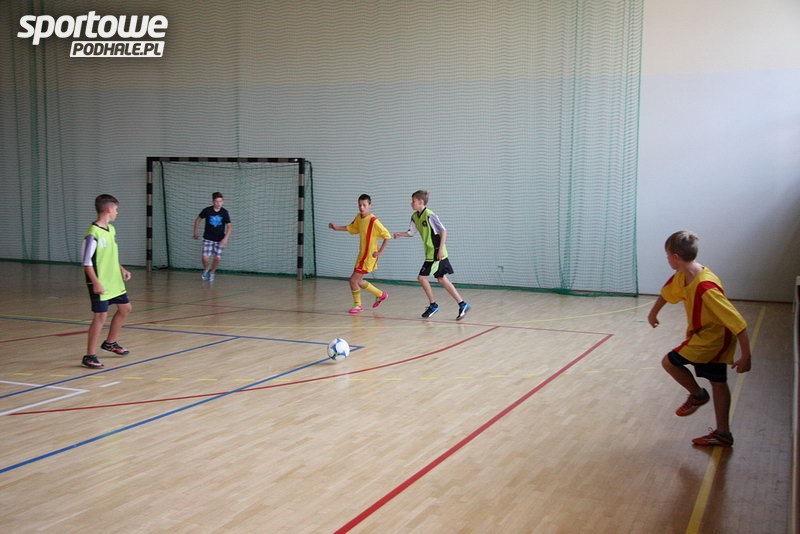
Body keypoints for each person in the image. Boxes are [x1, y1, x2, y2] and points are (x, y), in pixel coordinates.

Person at [647, 230, 752, 447]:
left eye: (667, 255)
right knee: (718, 383)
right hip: (707, 337)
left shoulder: (706, 287)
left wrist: (746, 356)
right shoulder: (683, 275)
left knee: (669, 362)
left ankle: (697, 395)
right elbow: (667, 293)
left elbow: (738, 322)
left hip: (711, 340)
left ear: (676, 256)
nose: (667, 259)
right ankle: (723, 434)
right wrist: (653, 313)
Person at [393, 190, 471, 320]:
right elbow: (411, 232)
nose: (411, 203)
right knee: (441, 278)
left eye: (413, 201)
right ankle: (463, 304)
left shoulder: (430, 215)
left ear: (420, 202)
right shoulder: (415, 216)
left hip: (436, 252)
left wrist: (440, 250)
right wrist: (400, 234)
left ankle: (433, 305)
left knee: (421, 278)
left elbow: (443, 231)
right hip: (430, 252)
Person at [80, 194, 133, 369]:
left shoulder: (111, 229)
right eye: (116, 209)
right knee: (100, 316)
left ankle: (110, 343)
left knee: (125, 308)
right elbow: (86, 261)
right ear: (109, 209)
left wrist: (121, 268)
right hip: (100, 281)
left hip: (114, 280)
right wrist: (95, 282)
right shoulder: (92, 233)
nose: (117, 212)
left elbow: (109, 255)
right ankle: (89, 356)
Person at [328, 194, 390, 314]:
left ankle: (358, 305)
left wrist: (380, 252)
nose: (361, 207)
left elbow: (387, 235)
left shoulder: (374, 221)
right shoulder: (359, 217)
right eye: (360, 205)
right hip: (362, 255)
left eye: (364, 205)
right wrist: (337, 228)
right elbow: (352, 228)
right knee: (359, 281)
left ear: (370, 206)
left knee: (353, 281)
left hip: (369, 256)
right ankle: (380, 294)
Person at [193, 192, 232, 281]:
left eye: (220, 201)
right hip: (208, 238)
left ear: (223, 201)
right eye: (216, 201)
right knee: (205, 258)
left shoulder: (224, 212)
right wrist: (195, 232)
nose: (218, 204)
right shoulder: (207, 210)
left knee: (217, 258)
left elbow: (229, 226)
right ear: (213, 202)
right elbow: (198, 220)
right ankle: (206, 269)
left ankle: (212, 272)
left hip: (220, 239)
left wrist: (225, 238)